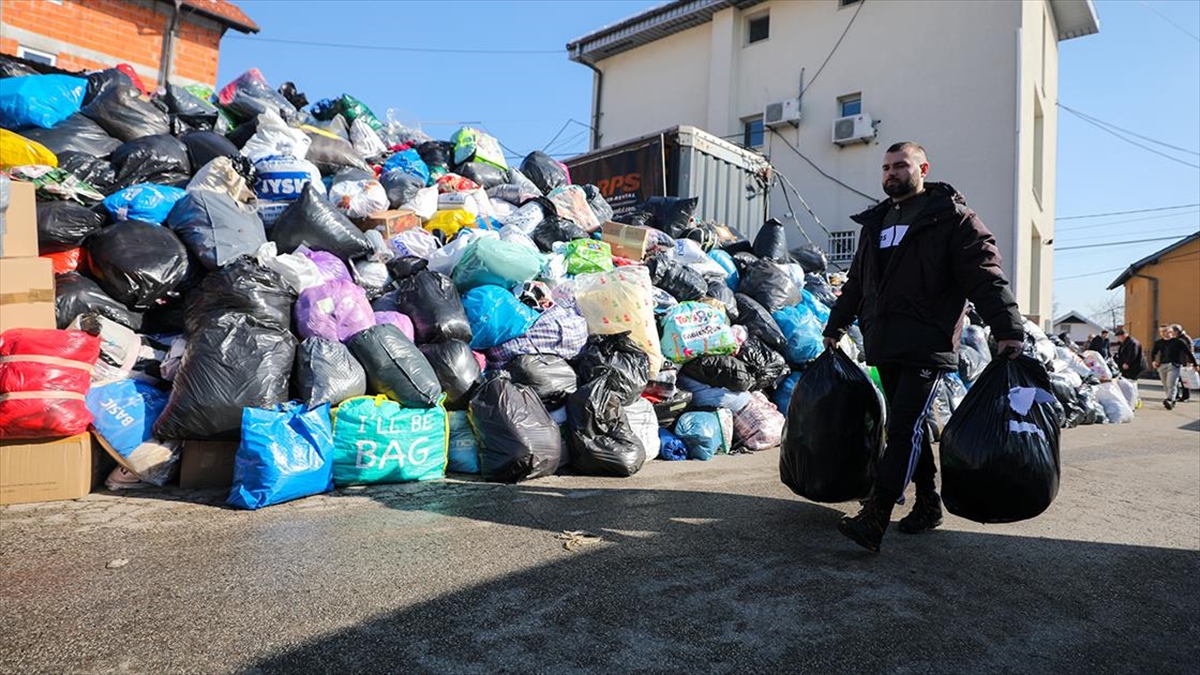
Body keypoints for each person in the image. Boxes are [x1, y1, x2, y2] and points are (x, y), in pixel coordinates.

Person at [821, 141, 1025, 553]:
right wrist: (836, 323)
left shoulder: (951, 219)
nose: (891, 173)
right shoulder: (876, 222)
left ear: (923, 168)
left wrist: (1008, 329)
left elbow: (985, 276)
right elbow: (858, 282)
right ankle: (928, 504)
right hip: (884, 339)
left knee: (902, 427)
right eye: (886, 168)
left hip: (927, 341)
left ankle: (876, 516)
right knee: (905, 425)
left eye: (900, 166)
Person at [1150, 325, 1194, 409]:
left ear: (1170, 332)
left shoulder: (1178, 342)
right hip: (1162, 365)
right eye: (1161, 332)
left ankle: (1170, 399)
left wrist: (1194, 364)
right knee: (1165, 384)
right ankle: (1171, 400)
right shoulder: (1159, 342)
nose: (1163, 333)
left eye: (1165, 331)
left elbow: (1188, 352)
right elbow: (1153, 352)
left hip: (1174, 365)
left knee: (1171, 383)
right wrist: (1153, 361)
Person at [1169, 324, 1195, 402]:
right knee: (1175, 380)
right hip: (1177, 361)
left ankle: (1185, 397)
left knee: (1185, 380)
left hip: (1184, 362)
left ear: (1176, 331)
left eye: (1172, 331)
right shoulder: (1175, 338)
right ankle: (1176, 395)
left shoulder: (1185, 338)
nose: (1171, 333)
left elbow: (1189, 351)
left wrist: (1188, 362)